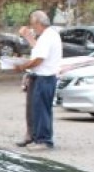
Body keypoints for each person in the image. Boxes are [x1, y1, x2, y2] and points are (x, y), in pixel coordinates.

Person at [14, 10, 62, 150]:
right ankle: (35, 136)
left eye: (32, 24)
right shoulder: (48, 35)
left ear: (38, 23)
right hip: (41, 77)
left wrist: (23, 66)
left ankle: (44, 140)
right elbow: (39, 49)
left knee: (41, 109)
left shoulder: (48, 37)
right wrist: (28, 37)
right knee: (36, 109)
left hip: (44, 77)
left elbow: (39, 59)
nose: (32, 27)